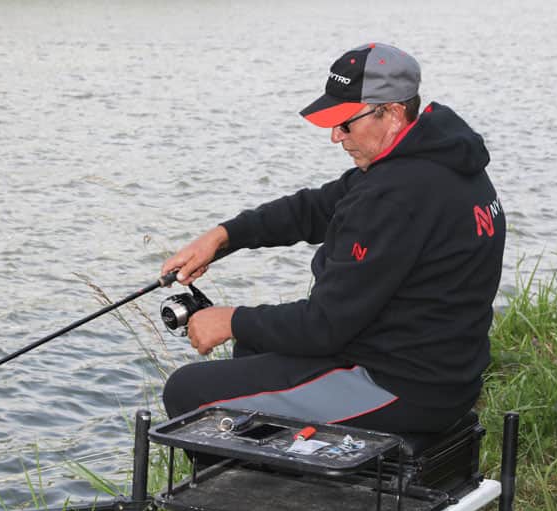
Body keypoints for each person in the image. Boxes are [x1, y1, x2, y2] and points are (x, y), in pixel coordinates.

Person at [160, 42, 506, 434]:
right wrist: (222, 237)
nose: (335, 136)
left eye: (346, 123)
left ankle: (240, 495)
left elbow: (323, 326)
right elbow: (316, 208)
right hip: (437, 366)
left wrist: (230, 319)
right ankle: (287, 475)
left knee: (188, 392)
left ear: (391, 112)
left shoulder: (396, 195)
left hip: (402, 386)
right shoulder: (437, 156)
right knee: (254, 350)